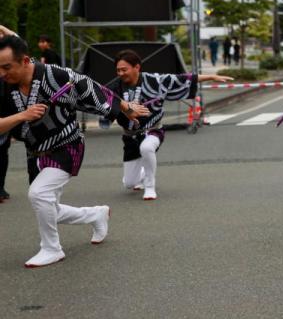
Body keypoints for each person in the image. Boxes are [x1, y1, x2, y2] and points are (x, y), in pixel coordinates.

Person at [0, 28, 149, 268]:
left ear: (25, 61)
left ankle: (51, 248)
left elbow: (92, 88)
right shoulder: (5, 84)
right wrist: (22, 116)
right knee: (49, 208)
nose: (2, 73)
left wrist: (125, 108)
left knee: (39, 195)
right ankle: (96, 214)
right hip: (35, 152)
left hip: (66, 145)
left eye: (7, 67)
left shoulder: (56, 75)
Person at [108, 50, 232, 201]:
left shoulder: (155, 81)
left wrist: (211, 77)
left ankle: (150, 186)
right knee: (129, 183)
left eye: (124, 69)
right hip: (130, 137)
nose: (120, 73)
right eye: (118, 70)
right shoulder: (114, 88)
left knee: (146, 148)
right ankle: (141, 174)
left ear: (137, 67)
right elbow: (103, 102)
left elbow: (182, 79)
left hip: (153, 130)